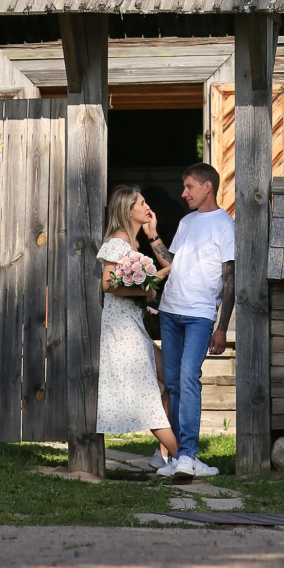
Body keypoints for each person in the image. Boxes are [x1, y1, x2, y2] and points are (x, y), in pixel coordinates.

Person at [156, 162, 234, 480]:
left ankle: (188, 454)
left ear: (207, 187)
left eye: (189, 186)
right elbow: (172, 262)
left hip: (200, 315)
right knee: (173, 384)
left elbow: (230, 281)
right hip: (170, 311)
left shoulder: (226, 225)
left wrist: (222, 326)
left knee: (189, 379)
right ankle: (178, 456)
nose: (183, 193)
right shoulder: (187, 222)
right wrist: (152, 235)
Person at [95, 184, 179, 466]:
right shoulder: (117, 242)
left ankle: (164, 456)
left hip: (134, 324)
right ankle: (183, 458)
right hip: (121, 328)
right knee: (148, 395)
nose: (147, 207)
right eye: (141, 203)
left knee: (169, 379)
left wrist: (147, 288)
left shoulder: (133, 244)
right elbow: (108, 284)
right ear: (127, 209)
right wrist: (149, 286)